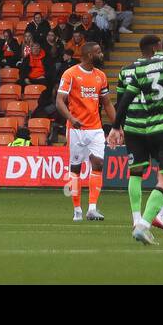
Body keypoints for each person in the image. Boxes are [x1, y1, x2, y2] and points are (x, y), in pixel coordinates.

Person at [108, 32, 163, 244]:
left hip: (141, 127)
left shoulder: (134, 69)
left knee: (158, 177)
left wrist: (116, 126)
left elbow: (123, 99)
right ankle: (143, 224)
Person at [55, 42, 115, 223]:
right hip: (76, 129)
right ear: (89, 55)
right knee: (75, 169)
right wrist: (71, 119)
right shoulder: (71, 74)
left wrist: (117, 126)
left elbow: (107, 103)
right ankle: (77, 210)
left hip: (95, 128)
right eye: (98, 52)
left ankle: (92, 209)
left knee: (98, 164)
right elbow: (59, 100)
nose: (102, 54)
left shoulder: (101, 76)